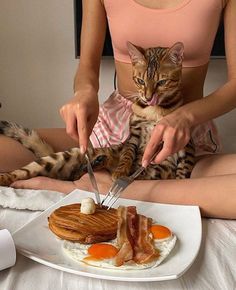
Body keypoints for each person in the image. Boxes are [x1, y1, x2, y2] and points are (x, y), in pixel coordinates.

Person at [0, 0, 236, 219]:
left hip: (185, 138)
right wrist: (84, 93)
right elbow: (87, 69)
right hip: (112, 131)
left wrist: (185, 115)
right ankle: (128, 188)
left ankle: (97, 190)